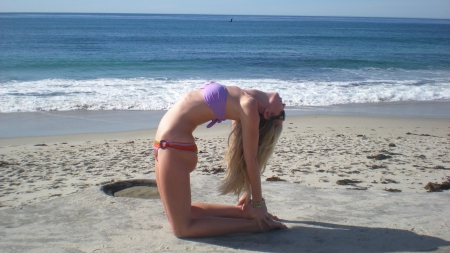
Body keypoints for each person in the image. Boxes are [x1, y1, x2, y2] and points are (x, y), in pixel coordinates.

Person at [154, 81, 287, 238]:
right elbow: (242, 154)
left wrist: (259, 204)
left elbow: (251, 159)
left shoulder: (248, 105)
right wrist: (248, 193)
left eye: (281, 115)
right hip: (165, 146)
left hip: (173, 148)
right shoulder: (244, 98)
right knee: (185, 213)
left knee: (182, 229)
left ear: (267, 114)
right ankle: (244, 214)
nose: (284, 107)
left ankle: (256, 224)